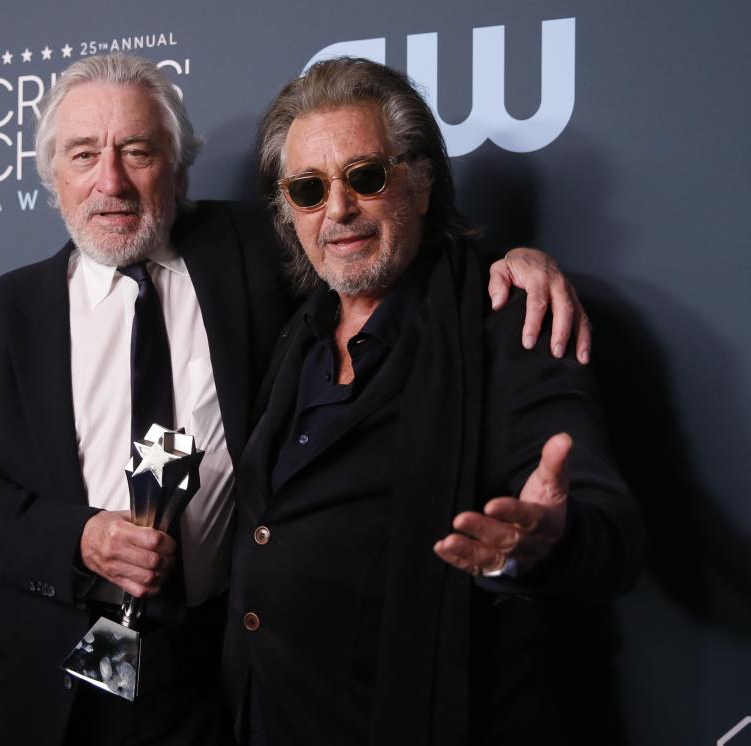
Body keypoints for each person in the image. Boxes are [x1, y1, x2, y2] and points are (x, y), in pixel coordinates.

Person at [0, 53, 593, 746]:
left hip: (222, 673)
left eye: (137, 150)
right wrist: (80, 539)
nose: (112, 182)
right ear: (52, 177)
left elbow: (377, 250)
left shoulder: (253, 248)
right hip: (65, 682)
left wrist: (513, 266)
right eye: (83, 154)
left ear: (179, 165)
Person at [223, 57, 644, 746]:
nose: (337, 210)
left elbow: (610, 532)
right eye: (307, 189)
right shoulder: (294, 336)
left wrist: (543, 542)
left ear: (418, 184)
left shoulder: (510, 322)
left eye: (365, 176)